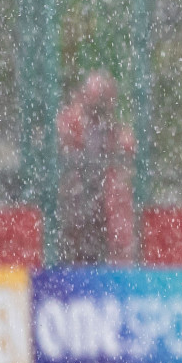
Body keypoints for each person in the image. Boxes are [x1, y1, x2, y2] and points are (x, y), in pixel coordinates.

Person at [56, 70, 136, 264]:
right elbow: (60, 149)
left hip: (101, 195)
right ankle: (72, 258)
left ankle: (117, 263)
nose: (97, 111)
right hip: (77, 192)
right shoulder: (69, 123)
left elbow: (128, 151)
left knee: (116, 196)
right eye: (94, 103)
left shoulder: (113, 130)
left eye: (103, 103)